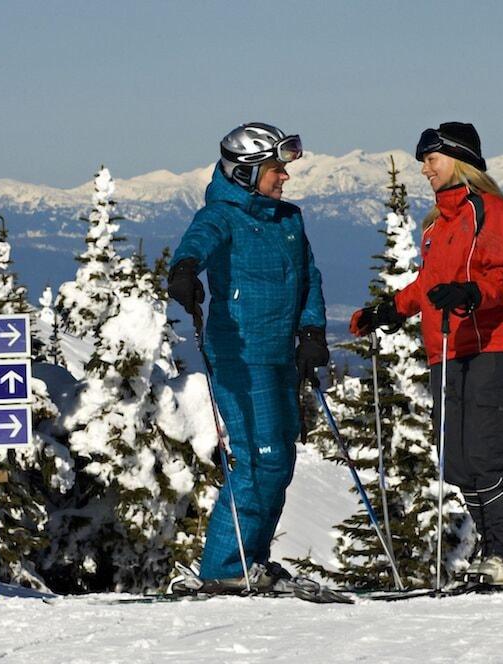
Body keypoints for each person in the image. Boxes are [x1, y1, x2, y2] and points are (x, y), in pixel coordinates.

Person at [350, 122, 503, 585]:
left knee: (487, 456)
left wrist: (474, 293)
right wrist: (390, 310)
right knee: (457, 462)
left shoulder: (493, 212)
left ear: (457, 160)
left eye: (431, 160)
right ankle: (500, 555)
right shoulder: (438, 225)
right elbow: (429, 287)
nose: (423, 169)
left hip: (492, 346)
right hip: (446, 350)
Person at [167, 122, 328, 591]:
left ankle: (250, 560)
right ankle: (223, 569)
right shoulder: (222, 215)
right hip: (241, 352)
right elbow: (195, 245)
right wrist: (184, 271)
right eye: (276, 169)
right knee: (260, 460)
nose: (285, 178)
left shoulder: (288, 219)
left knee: (280, 462)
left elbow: (309, 278)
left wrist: (312, 329)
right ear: (245, 172)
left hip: (281, 352)